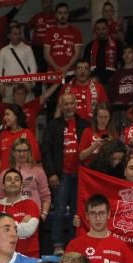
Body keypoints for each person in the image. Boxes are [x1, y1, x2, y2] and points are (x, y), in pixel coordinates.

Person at [42, 93, 89, 254]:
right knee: (60, 209)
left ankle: (76, 243)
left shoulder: (84, 124)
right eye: (66, 104)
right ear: (61, 106)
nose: (69, 106)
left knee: (78, 211)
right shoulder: (53, 125)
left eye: (71, 103)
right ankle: (58, 245)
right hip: (61, 174)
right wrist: (51, 173)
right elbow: (46, 151)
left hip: (81, 175)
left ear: (76, 105)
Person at [67, 195, 133, 263]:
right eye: (93, 213)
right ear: (87, 216)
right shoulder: (74, 245)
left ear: (109, 214)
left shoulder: (121, 246)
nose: (98, 218)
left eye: (102, 213)